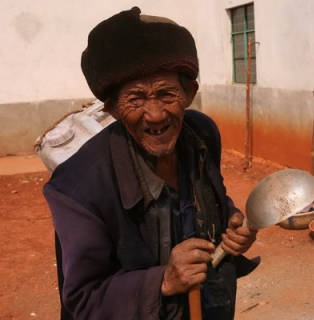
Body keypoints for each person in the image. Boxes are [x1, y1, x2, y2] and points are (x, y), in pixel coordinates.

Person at [43, 7, 258, 320]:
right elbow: (84, 299)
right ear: (113, 108)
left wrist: (233, 224)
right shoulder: (76, 187)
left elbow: (212, 201)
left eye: (166, 93)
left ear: (189, 93)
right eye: (136, 98)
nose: (155, 114)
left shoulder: (202, 134)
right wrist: (164, 280)